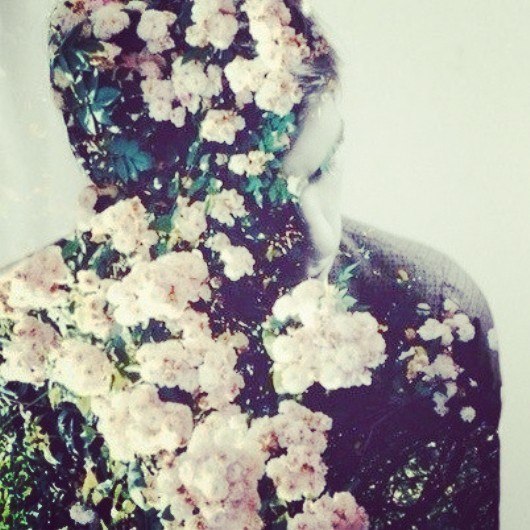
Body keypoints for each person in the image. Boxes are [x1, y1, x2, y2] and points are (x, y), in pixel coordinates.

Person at [0, 1, 500, 528]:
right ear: (132, 202)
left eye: (321, 168)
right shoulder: (22, 349)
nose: (320, 237)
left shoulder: (433, 319)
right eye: (257, 209)